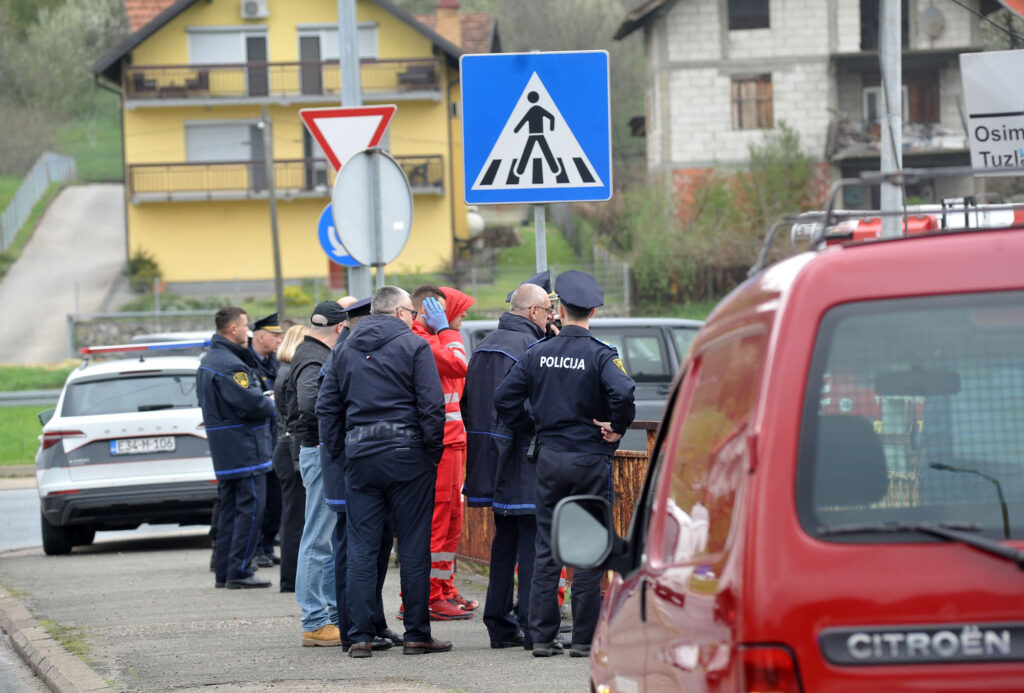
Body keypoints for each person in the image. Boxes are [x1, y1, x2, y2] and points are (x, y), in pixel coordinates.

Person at [494, 270, 636, 657]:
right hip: (590, 459)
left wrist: (532, 425)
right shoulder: (601, 353)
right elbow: (623, 391)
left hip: (550, 459)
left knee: (546, 546)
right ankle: (585, 639)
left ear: (561, 309)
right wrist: (616, 428)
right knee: (588, 547)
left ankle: (541, 637)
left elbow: (504, 398)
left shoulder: (536, 353)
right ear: (592, 310)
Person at [316, 286, 451, 658]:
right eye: (411, 311)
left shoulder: (345, 348)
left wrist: (343, 453)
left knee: (361, 547)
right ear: (397, 312)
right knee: (413, 546)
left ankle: (359, 636)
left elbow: (327, 407)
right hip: (409, 457)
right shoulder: (414, 346)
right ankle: (416, 634)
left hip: (361, 457)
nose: (413, 317)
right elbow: (431, 406)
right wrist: (431, 454)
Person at [462, 281, 554, 650]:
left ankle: (499, 625)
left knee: (504, 545)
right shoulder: (532, 347)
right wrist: (533, 429)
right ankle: (535, 629)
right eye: (548, 312)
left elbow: (468, 404)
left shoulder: (484, 344)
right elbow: (527, 407)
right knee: (532, 547)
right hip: (525, 459)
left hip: (491, 462)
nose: (551, 319)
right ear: (533, 312)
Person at [319, 296, 402, 652]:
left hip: (358, 463)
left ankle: (371, 622)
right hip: (348, 467)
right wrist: (342, 453)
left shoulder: (353, 350)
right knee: (351, 550)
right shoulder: (342, 353)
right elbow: (323, 409)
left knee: (376, 547)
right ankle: (352, 628)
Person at [409, 285, 477, 620]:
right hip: (440, 446)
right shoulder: (425, 339)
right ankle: (425, 597)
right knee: (437, 521)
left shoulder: (434, 337)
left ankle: (444, 588)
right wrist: (446, 329)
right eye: (457, 311)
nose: (463, 316)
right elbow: (458, 364)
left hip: (453, 442)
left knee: (452, 522)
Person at [197, 306, 277, 589]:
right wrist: (271, 404)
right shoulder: (230, 364)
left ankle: (225, 571)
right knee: (250, 510)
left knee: (230, 511)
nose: (248, 331)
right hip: (245, 449)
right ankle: (240, 570)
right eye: (245, 326)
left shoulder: (211, 360)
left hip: (227, 450)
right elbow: (251, 403)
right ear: (233, 329)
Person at [291, 302, 347, 647]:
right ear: (340, 330)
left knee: (323, 537)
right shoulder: (314, 358)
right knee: (317, 538)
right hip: (317, 449)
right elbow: (311, 403)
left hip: (315, 449)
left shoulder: (307, 351)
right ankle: (314, 619)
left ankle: (329, 614)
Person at [272, 323, 309, 593]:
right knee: (295, 518)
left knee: (293, 516)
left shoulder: (283, 371)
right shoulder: (291, 373)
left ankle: (291, 577)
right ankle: (292, 578)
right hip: (291, 449)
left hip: (285, 448)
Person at [250, 312, 285, 568]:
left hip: (275, 437)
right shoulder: (248, 362)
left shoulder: (273, 362)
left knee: (275, 498)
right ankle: (256, 548)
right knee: (259, 501)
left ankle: (266, 545)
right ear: (260, 336)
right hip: (258, 441)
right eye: (275, 335)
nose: (279, 339)